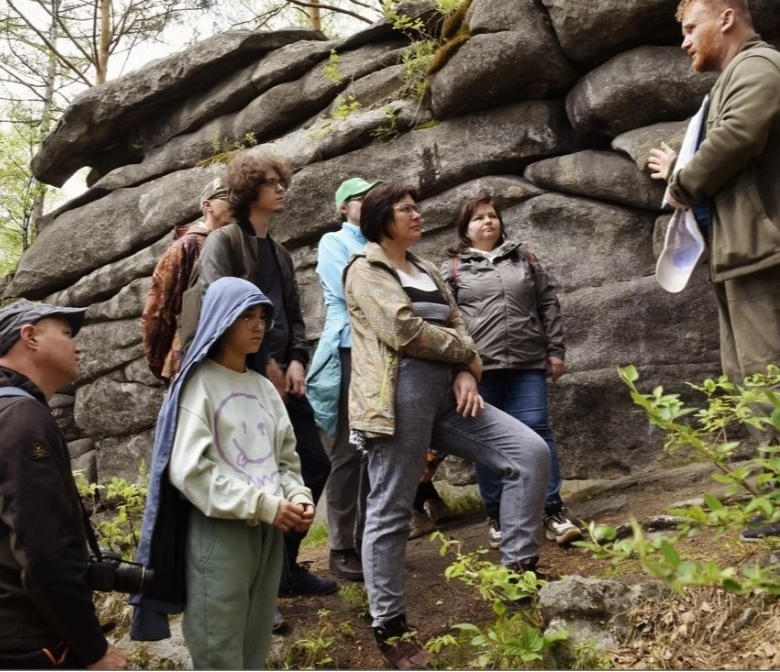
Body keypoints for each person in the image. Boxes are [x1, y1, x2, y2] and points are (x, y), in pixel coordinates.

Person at [646, 0, 780, 541]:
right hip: (740, 250)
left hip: (767, 246)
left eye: (690, 29)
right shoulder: (732, 79)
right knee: (750, 378)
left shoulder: (761, 67)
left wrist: (682, 180)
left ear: (726, 19)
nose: (685, 43)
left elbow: (737, 137)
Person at [344, 183, 550, 669]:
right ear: (380, 218)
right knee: (391, 507)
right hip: (396, 399)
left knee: (529, 453)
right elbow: (402, 329)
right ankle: (390, 626)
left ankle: (519, 579)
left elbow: (460, 325)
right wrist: (465, 356)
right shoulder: (365, 269)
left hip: (450, 395)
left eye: (416, 208)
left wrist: (463, 370)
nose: (417, 215)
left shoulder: (428, 268)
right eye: (406, 209)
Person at [0, 300, 127, 670]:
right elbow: (45, 551)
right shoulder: (18, 419)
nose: (77, 345)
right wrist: (93, 647)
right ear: (30, 336)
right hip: (12, 644)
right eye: (66, 334)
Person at [193, 152, 336, 597]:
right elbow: (221, 311)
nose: (281, 188)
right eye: (271, 181)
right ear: (249, 189)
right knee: (249, 475)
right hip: (238, 381)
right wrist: (263, 367)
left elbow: (293, 314)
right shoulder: (223, 242)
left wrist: (295, 360)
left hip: (282, 380)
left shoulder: (279, 252)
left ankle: (284, 570)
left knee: (313, 465)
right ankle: (253, 584)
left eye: (282, 180)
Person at [166, 277, 314, 668]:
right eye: (245, 316)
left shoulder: (265, 389)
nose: (257, 325)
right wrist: (263, 504)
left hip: (267, 531)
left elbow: (284, 460)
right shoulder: (198, 386)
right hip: (220, 533)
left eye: (262, 316)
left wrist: (297, 496)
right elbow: (190, 472)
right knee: (218, 645)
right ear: (221, 319)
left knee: (254, 642)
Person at [443, 195, 581, 548]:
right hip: (479, 369)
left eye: (492, 216)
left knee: (537, 431)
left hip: (527, 362)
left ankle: (552, 510)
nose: (487, 222)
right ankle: (498, 515)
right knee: (488, 442)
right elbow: (447, 320)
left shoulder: (526, 259)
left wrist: (556, 351)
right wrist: (459, 366)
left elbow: (548, 303)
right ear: (465, 229)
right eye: (478, 218)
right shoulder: (452, 269)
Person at [307, 177, 381, 581]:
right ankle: (340, 547)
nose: (368, 203)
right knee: (346, 452)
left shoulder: (382, 240)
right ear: (343, 207)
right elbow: (352, 291)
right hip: (349, 349)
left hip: (383, 353)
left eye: (373, 198)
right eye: (360, 199)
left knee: (377, 448)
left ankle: (372, 538)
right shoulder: (334, 242)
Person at [142, 176, 231, 381]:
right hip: (192, 361)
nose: (236, 203)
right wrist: (167, 363)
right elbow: (158, 309)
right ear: (208, 205)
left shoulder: (238, 246)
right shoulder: (187, 245)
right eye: (228, 197)